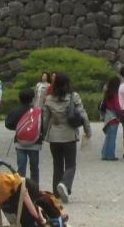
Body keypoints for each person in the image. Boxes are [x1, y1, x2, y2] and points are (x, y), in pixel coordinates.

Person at [42, 71, 90, 201]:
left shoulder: (49, 99)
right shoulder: (73, 97)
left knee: (57, 165)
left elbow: (45, 119)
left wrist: (43, 134)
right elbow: (83, 115)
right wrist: (88, 131)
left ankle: (56, 193)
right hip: (69, 134)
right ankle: (64, 184)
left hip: (54, 135)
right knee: (70, 164)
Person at [5, 88, 42, 182]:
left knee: (21, 166)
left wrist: (19, 128)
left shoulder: (16, 110)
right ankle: (34, 186)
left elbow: (8, 124)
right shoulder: (37, 111)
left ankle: (21, 187)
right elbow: (42, 125)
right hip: (35, 142)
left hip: (19, 142)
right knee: (34, 167)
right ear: (33, 99)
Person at [99, 76, 123, 160]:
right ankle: (110, 155)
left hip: (108, 116)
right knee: (112, 137)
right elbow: (117, 107)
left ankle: (104, 154)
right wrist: (121, 115)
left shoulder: (107, 93)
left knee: (108, 136)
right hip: (113, 118)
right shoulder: (115, 94)